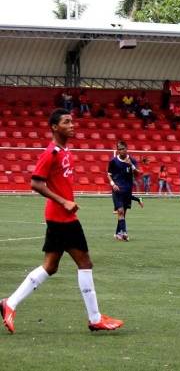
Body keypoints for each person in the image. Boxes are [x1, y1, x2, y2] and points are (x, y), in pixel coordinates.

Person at [0, 108, 123, 334]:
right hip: (63, 217)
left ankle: (10, 303)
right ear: (55, 127)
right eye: (66, 122)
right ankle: (95, 318)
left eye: (72, 121)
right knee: (84, 263)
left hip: (58, 217)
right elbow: (35, 183)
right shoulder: (51, 153)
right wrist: (64, 202)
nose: (72, 125)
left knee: (50, 266)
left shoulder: (65, 151)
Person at [107, 141, 140, 242]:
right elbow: (109, 174)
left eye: (123, 149)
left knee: (123, 213)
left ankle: (118, 233)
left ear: (126, 148)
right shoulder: (113, 161)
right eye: (119, 149)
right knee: (120, 211)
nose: (121, 151)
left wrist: (132, 166)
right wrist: (113, 184)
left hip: (127, 190)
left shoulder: (132, 160)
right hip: (117, 190)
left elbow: (138, 174)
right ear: (117, 150)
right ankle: (124, 233)